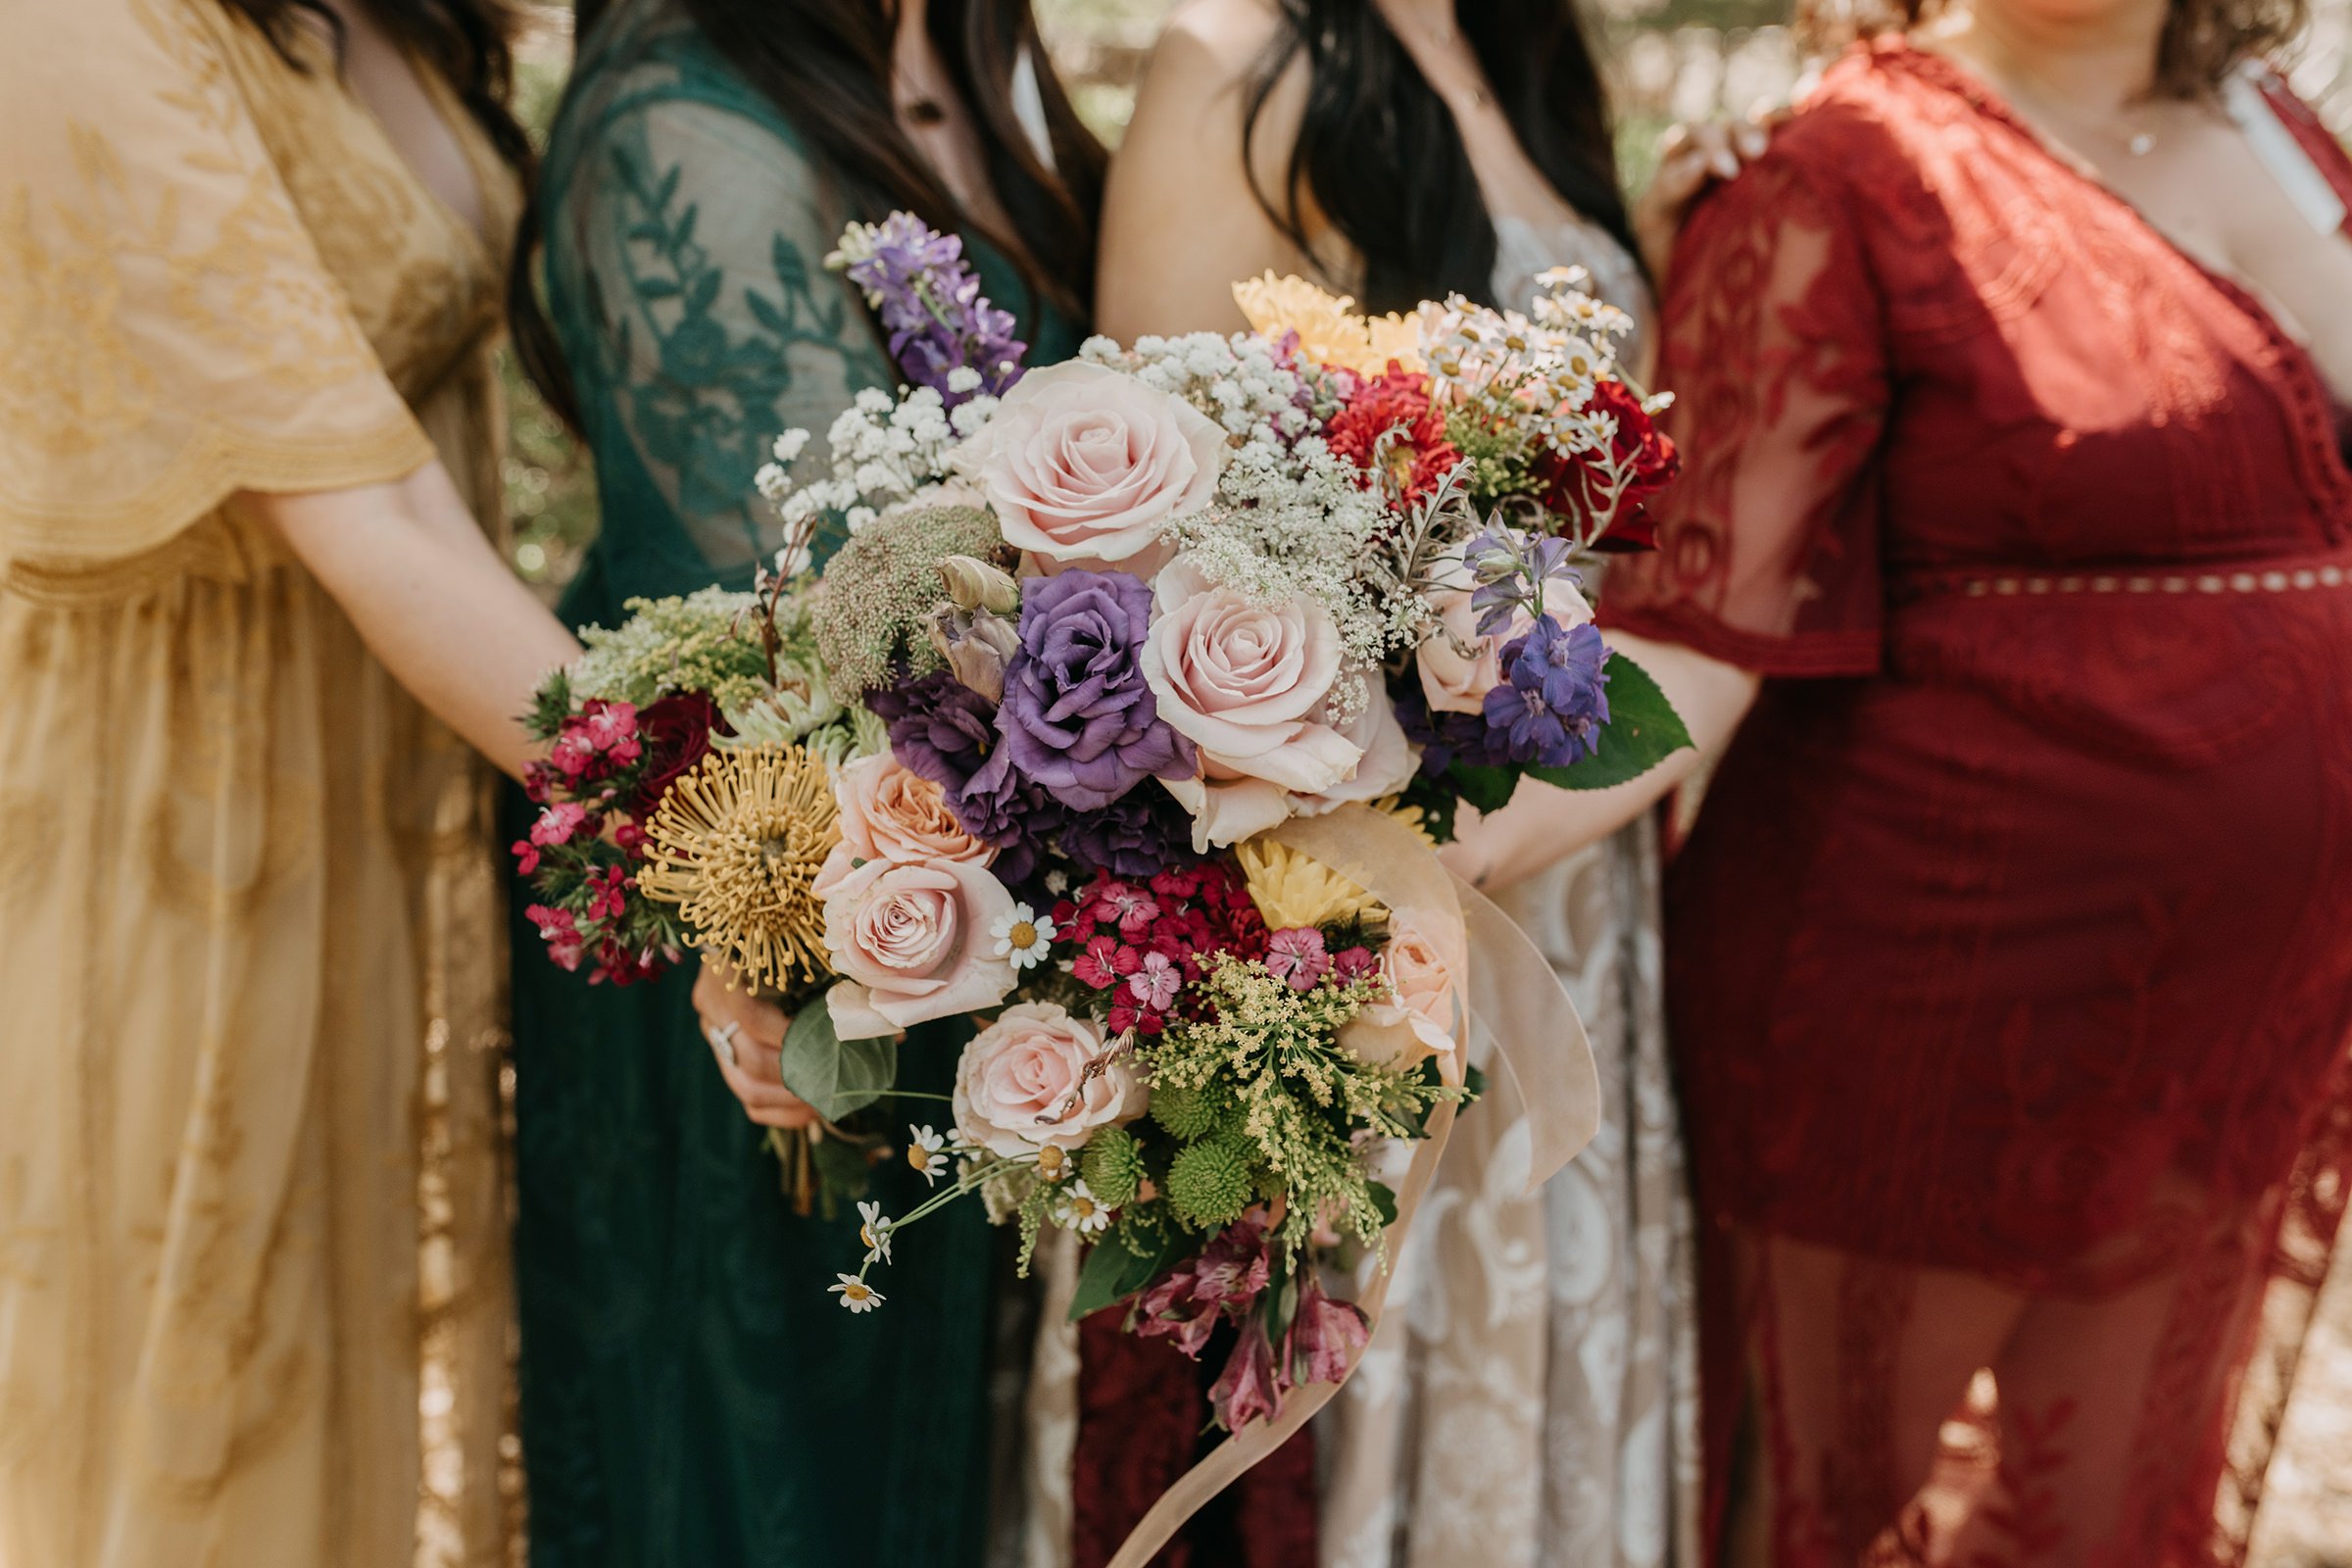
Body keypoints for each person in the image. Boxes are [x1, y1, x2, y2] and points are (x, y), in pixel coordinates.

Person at [1445, 0, 2352, 1553]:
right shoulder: (1836, 172)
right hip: (1932, 1009)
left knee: (2108, 1510)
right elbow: (1696, 641)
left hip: (2225, 1040)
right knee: (1825, 1508)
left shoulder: (2283, 124)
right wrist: (1400, 857)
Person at [1091, 3, 1762, 1562]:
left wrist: (1681, 231)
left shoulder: (1526, 52)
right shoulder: (1238, 64)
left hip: (1570, 853)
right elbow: (1157, 553)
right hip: (1371, 878)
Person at [500, 2, 1102, 1562]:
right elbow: (807, 614)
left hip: (970, 860)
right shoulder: (674, 113)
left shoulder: (973, 51)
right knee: (756, 1454)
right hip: (750, 888)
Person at [0, 0, 585, 1563]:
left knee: (344, 1333)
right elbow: (369, 508)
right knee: (202, 1369)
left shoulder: (381, 17)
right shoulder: (82, 27)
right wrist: (736, 835)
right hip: (181, 809)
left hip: (379, 774)